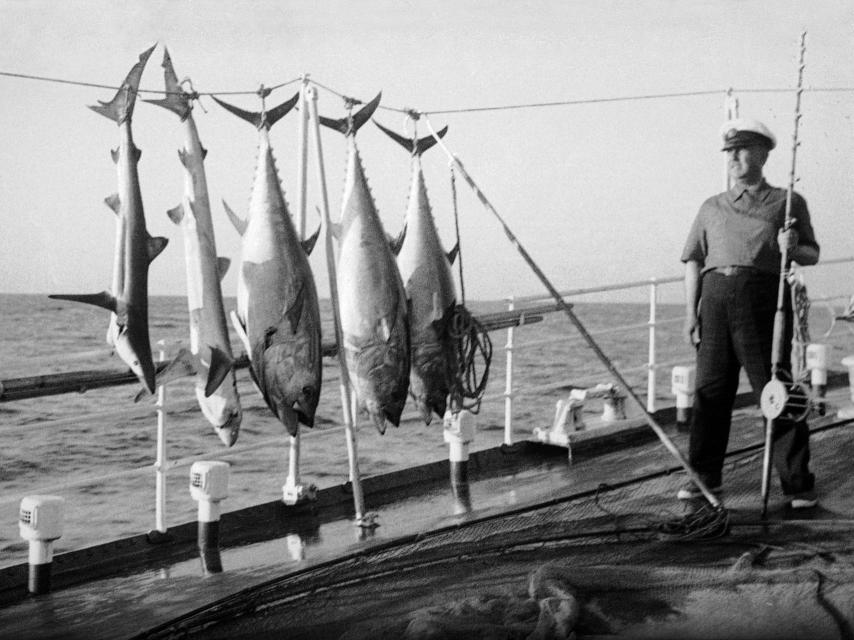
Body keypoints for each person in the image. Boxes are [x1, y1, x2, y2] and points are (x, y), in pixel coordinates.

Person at [679, 117, 820, 509]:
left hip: (762, 299)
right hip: (715, 298)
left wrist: (791, 245)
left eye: (742, 150)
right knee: (711, 391)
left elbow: (811, 253)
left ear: (762, 153)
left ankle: (797, 483)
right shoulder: (711, 207)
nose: (734, 158)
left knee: (775, 389)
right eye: (729, 152)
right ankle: (704, 477)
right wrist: (691, 314)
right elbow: (692, 261)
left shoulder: (787, 203)